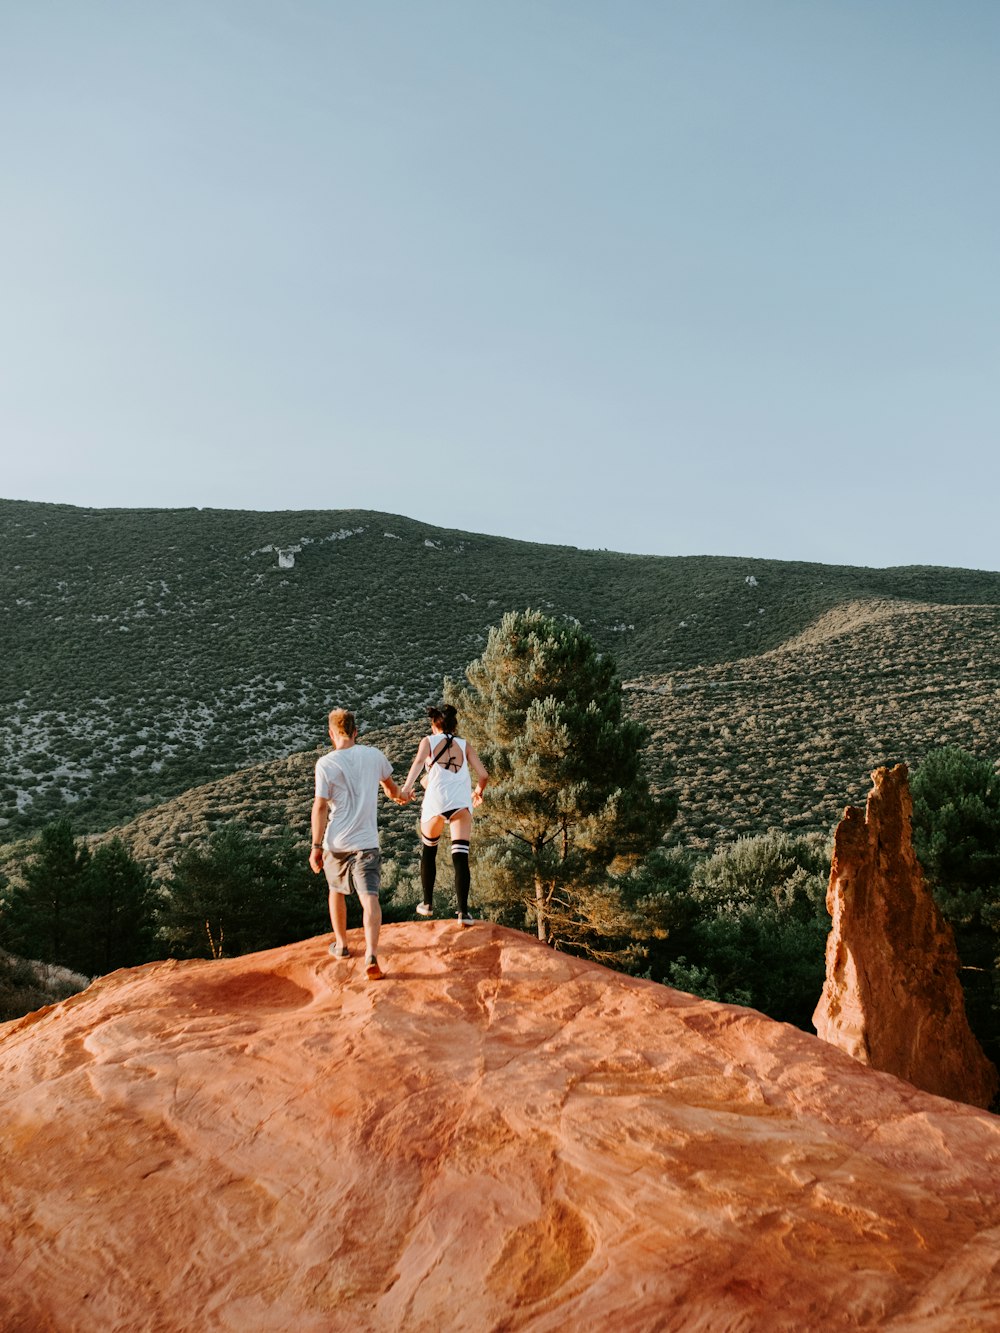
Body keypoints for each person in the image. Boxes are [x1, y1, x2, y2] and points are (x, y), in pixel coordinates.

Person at [309, 708, 405, 980]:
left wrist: (316, 847)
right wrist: (400, 796)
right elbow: (391, 788)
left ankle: (341, 945)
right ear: (355, 731)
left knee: (335, 891)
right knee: (369, 898)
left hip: (335, 842)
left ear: (331, 734)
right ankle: (371, 955)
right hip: (366, 842)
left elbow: (320, 807)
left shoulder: (325, 764)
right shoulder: (373, 755)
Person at [400, 704, 488, 926]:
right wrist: (477, 792)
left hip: (436, 802)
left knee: (429, 851)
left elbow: (418, 764)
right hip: (461, 802)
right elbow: (484, 775)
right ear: (454, 725)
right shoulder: (464, 744)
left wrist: (406, 789)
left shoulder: (428, 742)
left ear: (433, 725)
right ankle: (463, 913)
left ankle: (427, 904)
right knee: (460, 857)